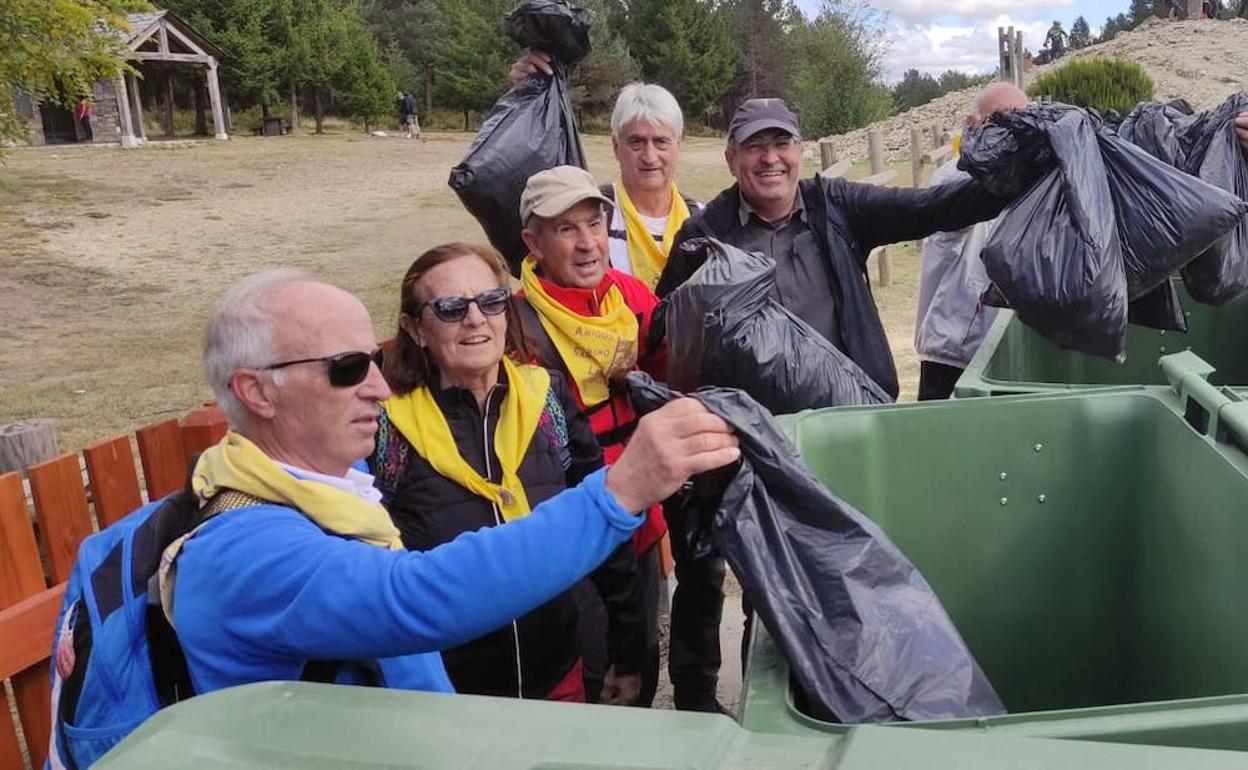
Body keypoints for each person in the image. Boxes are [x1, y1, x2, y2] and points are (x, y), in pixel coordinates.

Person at [167, 268, 739, 698]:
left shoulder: (331, 484)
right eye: (346, 368)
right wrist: (618, 493)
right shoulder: (246, 552)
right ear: (257, 392)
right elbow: (415, 596)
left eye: (373, 360)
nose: (378, 388)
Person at [370, 242, 644, 706]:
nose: (476, 319)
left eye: (491, 301)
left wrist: (626, 650)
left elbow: (604, 524)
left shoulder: (547, 399)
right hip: (445, 694)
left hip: (558, 673)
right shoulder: (385, 427)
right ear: (415, 329)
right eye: (451, 308)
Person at [514, 165, 714, 710]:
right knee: (589, 668)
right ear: (533, 243)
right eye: (566, 229)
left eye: (595, 224)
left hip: (641, 516)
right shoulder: (515, 328)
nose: (587, 244)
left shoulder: (626, 296)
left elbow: (673, 371)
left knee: (640, 660)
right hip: (571, 528)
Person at [508, 56, 700, 290]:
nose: (649, 156)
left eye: (661, 142)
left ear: (679, 144)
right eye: (636, 142)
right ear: (616, 146)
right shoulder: (587, 213)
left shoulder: (704, 220)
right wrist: (529, 95)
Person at [916, 83, 1029, 401]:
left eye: (1018, 125)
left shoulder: (1028, 181)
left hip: (1009, 355)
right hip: (952, 354)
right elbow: (957, 207)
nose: (1008, 136)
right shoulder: (952, 177)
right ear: (971, 124)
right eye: (998, 123)